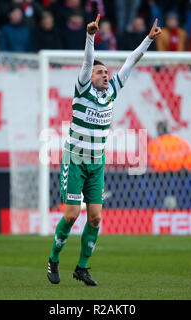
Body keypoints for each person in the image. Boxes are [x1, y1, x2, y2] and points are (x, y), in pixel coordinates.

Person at [46, 15, 162, 286]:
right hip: (75, 160)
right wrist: (90, 36)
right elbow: (88, 62)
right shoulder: (82, 89)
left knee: (96, 218)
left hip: (97, 163)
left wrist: (148, 39)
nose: (105, 74)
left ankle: (82, 268)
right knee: (72, 214)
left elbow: (131, 61)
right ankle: (53, 259)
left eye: (106, 72)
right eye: (101, 72)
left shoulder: (111, 92)